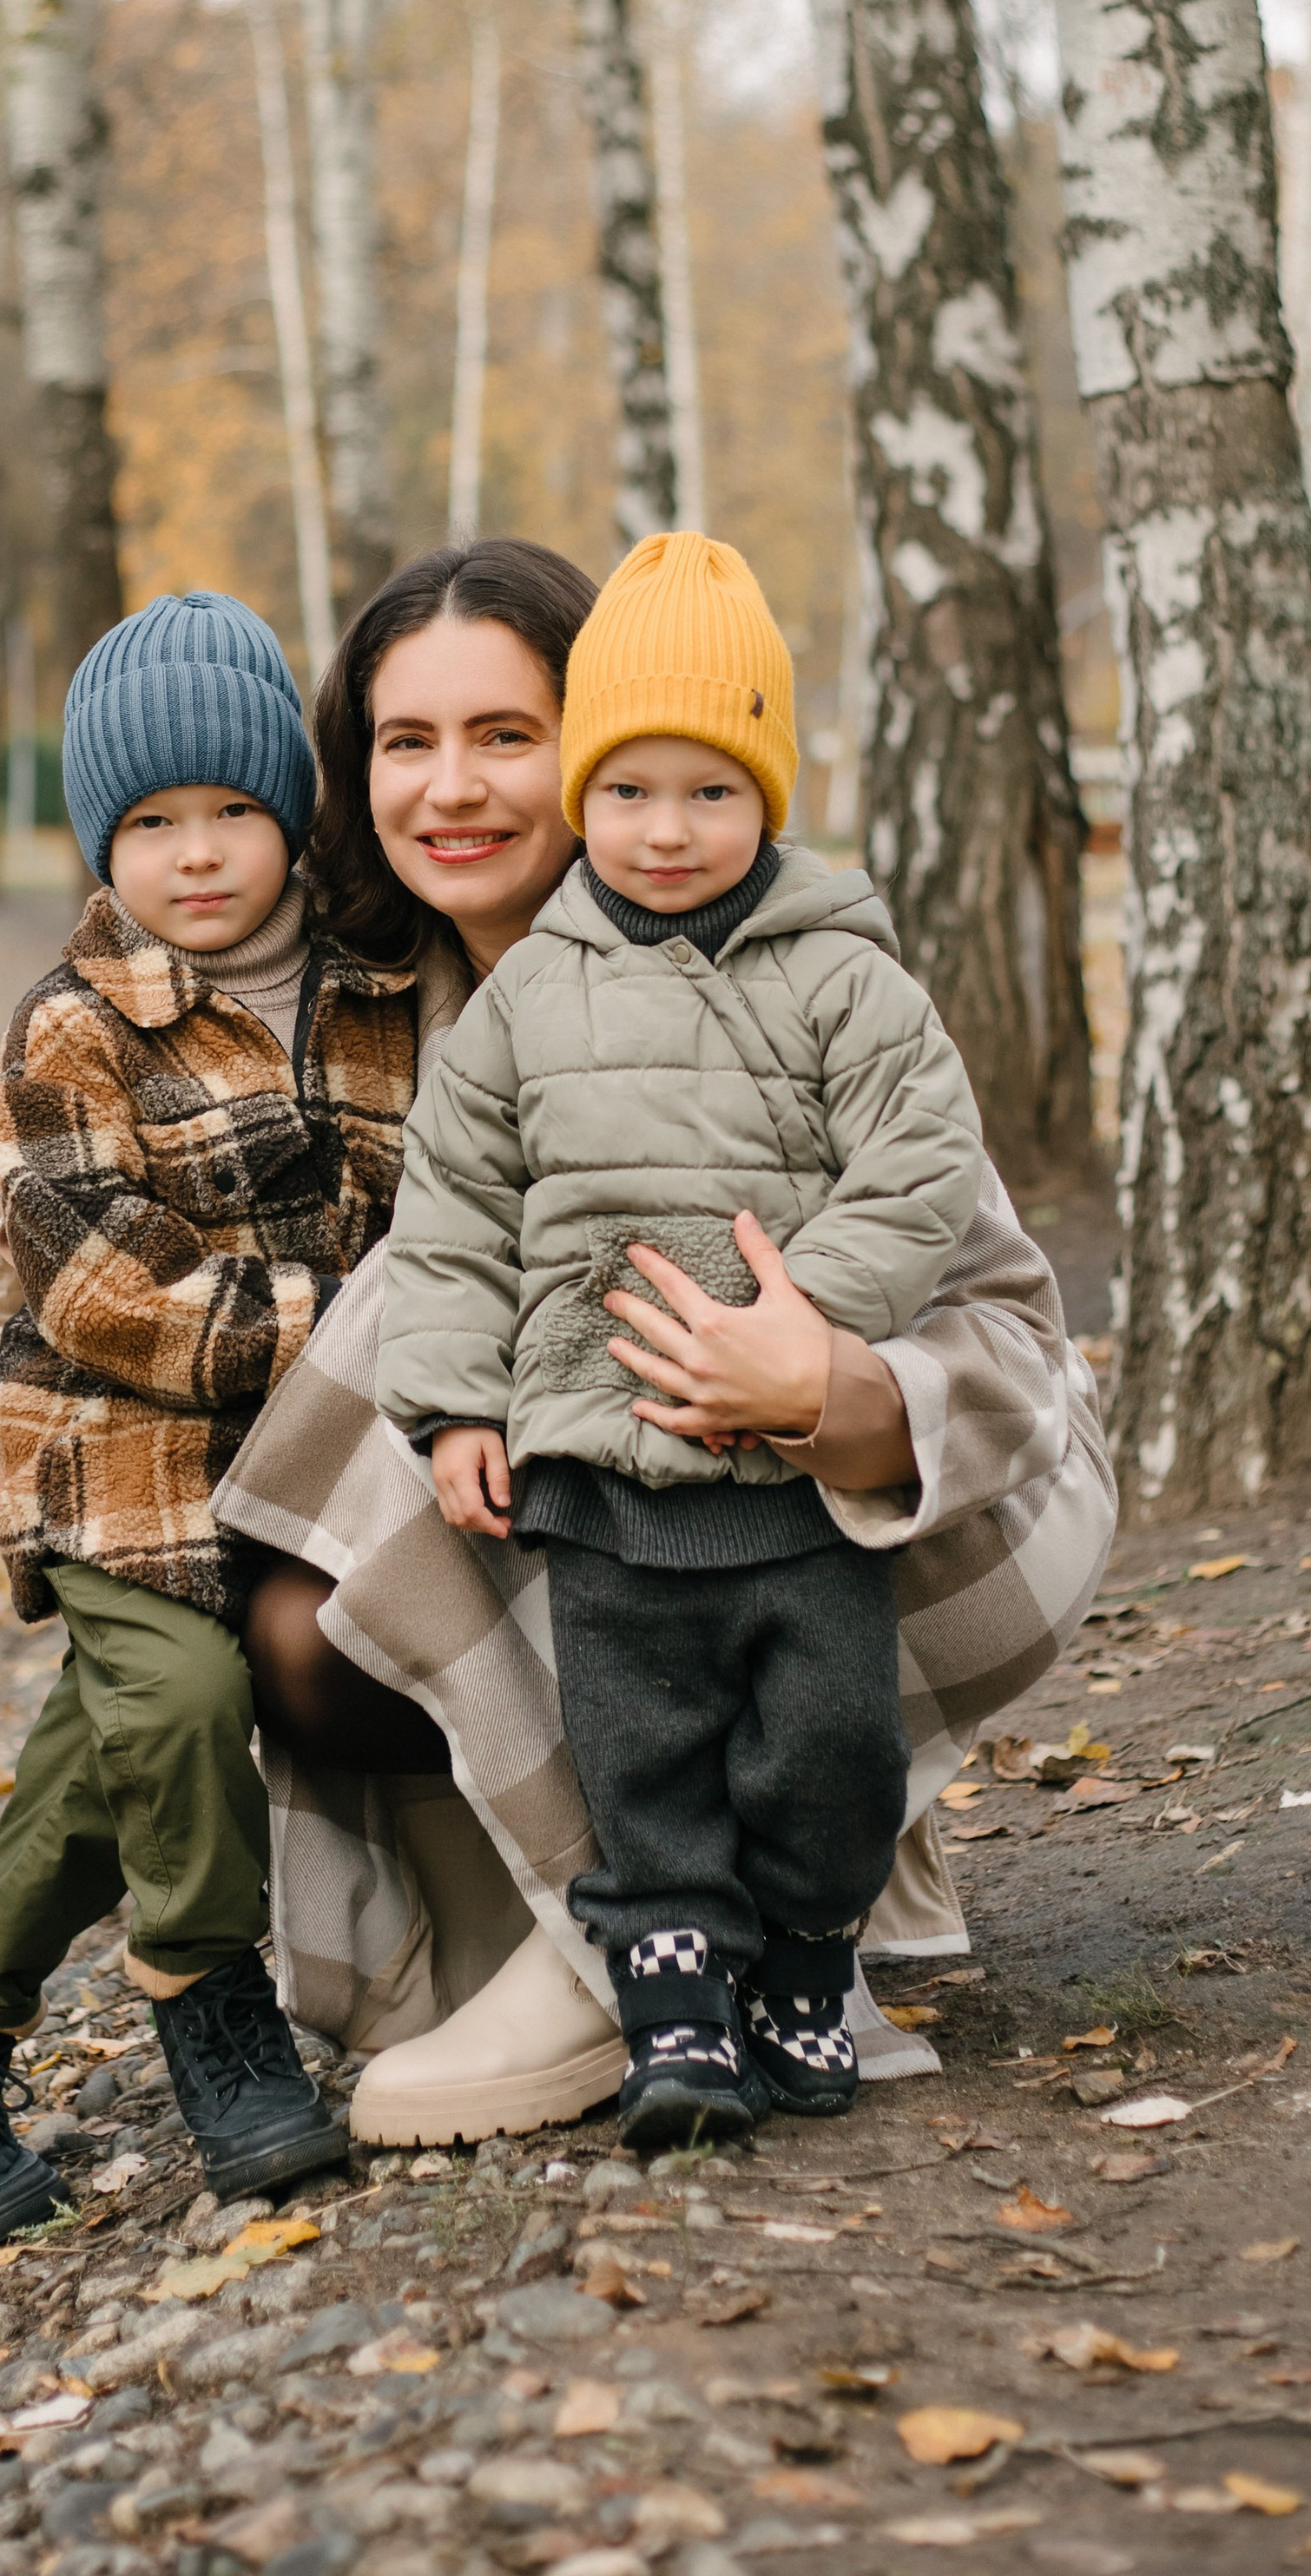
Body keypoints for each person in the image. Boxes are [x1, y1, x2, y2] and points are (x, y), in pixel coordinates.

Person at [216, 537, 1117, 2150]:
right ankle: (594, 1910)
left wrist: (827, 1383)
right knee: (296, 1583)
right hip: (610, 1520)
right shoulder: (394, 1013)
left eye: (506, 734)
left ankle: (685, 1937)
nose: (451, 786)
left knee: (426, 1318)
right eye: (407, 740)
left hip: (897, 1501)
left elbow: (1008, 1327)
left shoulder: (800, 967)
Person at [377, 532, 986, 2144]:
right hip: (603, 1459)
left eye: (712, 791)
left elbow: (919, 1164)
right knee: (638, 1746)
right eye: (629, 790)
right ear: (587, 793)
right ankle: (676, 2018)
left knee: (829, 1737)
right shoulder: (527, 1001)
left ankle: (804, 1953)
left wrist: (809, 1320)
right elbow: (456, 1208)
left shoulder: (845, 977)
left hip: (790, 1473)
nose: (666, 828)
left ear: (770, 794)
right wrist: (455, 1403)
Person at [0, 590, 421, 2243]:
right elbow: (111, 1289)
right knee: (182, 1699)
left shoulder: (379, 983)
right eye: (152, 823)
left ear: (293, 812)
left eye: (234, 810)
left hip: (319, 1460)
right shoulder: (71, 1025)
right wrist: (359, 1320)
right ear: (102, 840)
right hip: (117, 1459)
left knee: (103, 1762)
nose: (197, 854)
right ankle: (208, 1993)